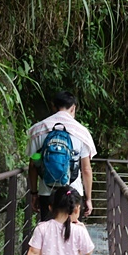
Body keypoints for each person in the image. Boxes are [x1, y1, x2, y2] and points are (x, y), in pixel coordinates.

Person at [27, 91, 96, 221]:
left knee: (48, 234)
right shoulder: (81, 132)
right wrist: (88, 199)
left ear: (53, 106)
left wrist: (34, 193)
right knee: (72, 234)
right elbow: (86, 169)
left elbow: (32, 166)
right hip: (73, 193)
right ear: (73, 107)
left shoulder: (37, 129)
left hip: (47, 192)